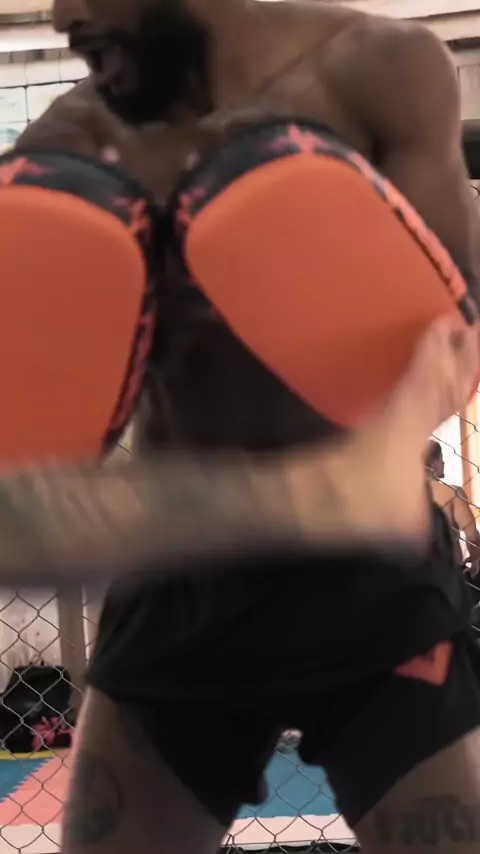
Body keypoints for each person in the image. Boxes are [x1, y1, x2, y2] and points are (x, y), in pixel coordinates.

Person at [2, 0, 480, 852]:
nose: (61, 12)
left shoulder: (383, 68)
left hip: (374, 581)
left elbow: (459, 329)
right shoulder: (75, 144)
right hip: (183, 580)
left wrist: (391, 440)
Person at [426, 439, 480, 572]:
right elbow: (472, 537)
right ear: (435, 464)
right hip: (451, 573)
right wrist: (475, 559)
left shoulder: (403, 498)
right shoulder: (452, 493)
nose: (444, 463)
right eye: (441, 459)